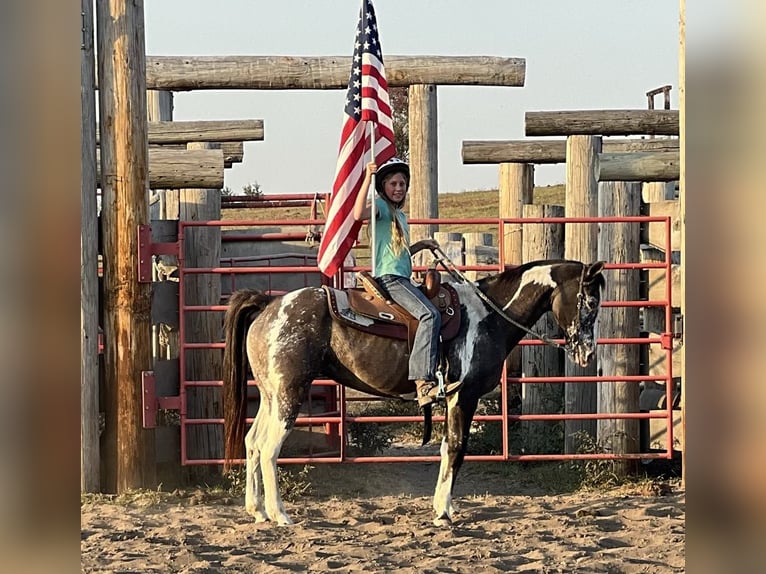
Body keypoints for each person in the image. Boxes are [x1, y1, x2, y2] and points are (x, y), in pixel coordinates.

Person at [353, 158, 461, 407]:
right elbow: (358, 214)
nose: (399, 188)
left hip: (402, 276)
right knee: (430, 315)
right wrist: (365, 180)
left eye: (402, 183)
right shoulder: (380, 206)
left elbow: (398, 253)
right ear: (383, 186)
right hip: (390, 278)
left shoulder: (400, 215)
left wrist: (421, 246)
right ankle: (423, 382)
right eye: (393, 183)